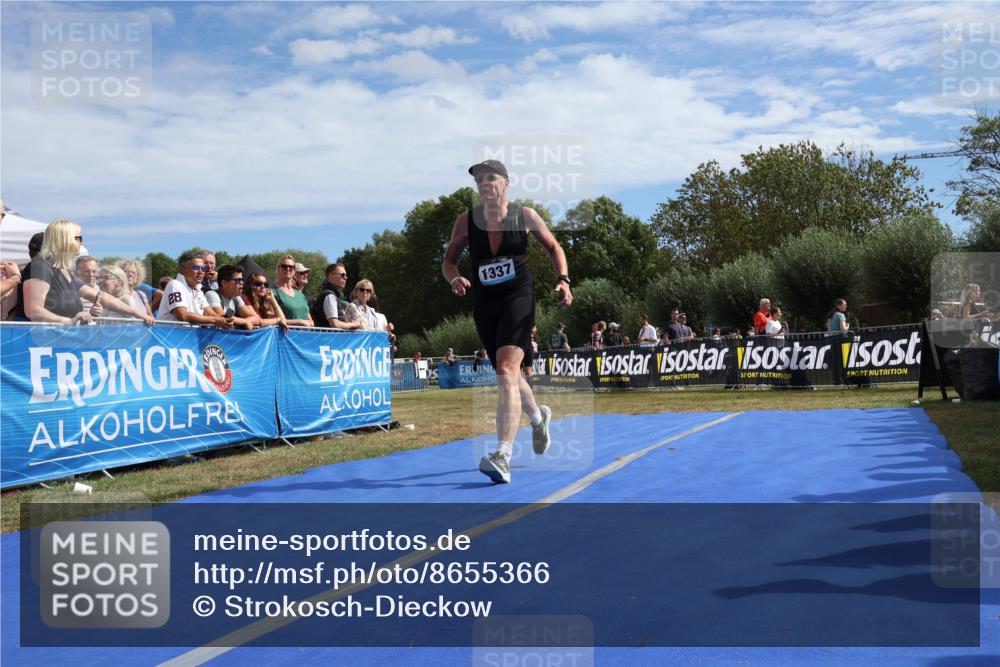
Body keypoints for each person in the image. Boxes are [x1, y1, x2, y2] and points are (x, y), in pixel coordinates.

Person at [442, 158, 572, 484]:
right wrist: (454, 278)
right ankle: (537, 416)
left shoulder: (524, 215)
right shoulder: (465, 221)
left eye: (490, 178)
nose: (484, 184)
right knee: (508, 375)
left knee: (505, 370)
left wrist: (564, 279)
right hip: (486, 302)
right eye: (479, 180)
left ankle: (502, 454)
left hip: (519, 297)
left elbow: (554, 246)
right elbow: (448, 261)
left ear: (506, 183)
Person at [23, 220, 153, 325]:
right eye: (78, 238)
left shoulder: (64, 271)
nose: (82, 242)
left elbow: (101, 297)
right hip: (43, 346)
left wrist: (137, 313)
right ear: (65, 239)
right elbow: (33, 311)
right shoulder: (40, 266)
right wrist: (69, 322)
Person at [157, 251, 229, 326]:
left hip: (189, 336)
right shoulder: (175, 285)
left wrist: (226, 320)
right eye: (196, 268)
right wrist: (215, 320)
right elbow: (182, 315)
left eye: (203, 269)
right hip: (170, 336)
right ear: (182, 269)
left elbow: (212, 315)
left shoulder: (198, 291)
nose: (201, 272)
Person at [205, 265, 259, 329]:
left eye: (242, 280)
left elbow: (256, 319)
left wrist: (244, 321)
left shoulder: (236, 297)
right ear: (224, 283)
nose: (242, 283)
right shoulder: (211, 294)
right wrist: (245, 322)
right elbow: (223, 319)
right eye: (238, 280)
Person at [311, 263, 361, 330]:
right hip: (329, 338)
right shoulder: (329, 296)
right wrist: (353, 324)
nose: (346, 278)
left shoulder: (331, 295)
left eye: (346, 275)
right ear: (331, 277)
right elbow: (335, 324)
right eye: (342, 275)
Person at [272, 255, 313, 326]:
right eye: (284, 266)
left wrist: (310, 323)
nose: (288, 269)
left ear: (294, 270)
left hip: (305, 335)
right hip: (284, 335)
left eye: (291, 267)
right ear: (278, 269)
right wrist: (299, 322)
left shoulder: (300, 295)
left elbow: (310, 321)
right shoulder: (273, 292)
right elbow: (271, 319)